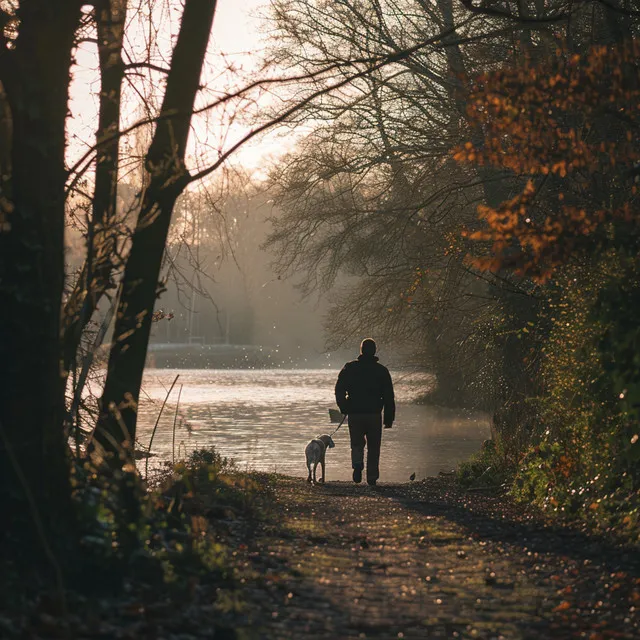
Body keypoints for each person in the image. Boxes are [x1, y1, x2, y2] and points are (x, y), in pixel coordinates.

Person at [335, 338, 395, 486]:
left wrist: (344, 407)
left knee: (356, 443)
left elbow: (339, 390)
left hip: (355, 414)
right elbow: (388, 396)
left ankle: (357, 465)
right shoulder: (381, 371)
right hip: (374, 414)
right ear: (374, 351)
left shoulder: (350, 368)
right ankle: (372, 477)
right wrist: (388, 418)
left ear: (361, 350)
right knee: (374, 446)